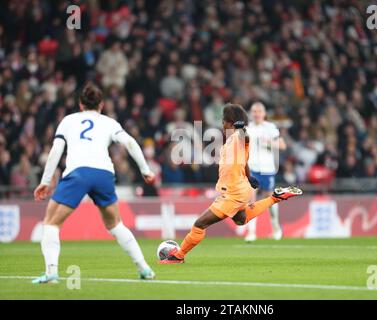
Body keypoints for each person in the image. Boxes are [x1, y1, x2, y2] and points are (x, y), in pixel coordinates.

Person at [32, 84, 156, 284]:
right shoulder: (109, 122)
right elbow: (131, 142)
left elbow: (56, 151)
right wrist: (145, 170)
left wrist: (45, 182)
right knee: (115, 224)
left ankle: (51, 273)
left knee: (51, 222)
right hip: (104, 174)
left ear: (80, 104)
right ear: (102, 104)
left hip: (78, 172)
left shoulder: (68, 121)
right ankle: (144, 268)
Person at [159, 103, 302, 264]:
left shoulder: (238, 137)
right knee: (241, 219)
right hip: (240, 188)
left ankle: (178, 256)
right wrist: (249, 177)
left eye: (224, 120)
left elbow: (245, 137)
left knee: (200, 224)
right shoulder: (230, 141)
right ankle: (276, 197)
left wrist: (242, 130)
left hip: (233, 193)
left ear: (231, 122)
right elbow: (244, 160)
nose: (221, 123)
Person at [244, 102, 287, 241]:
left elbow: (282, 145)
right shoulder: (247, 128)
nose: (256, 114)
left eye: (259, 111)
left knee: (270, 200)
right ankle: (251, 232)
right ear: (251, 113)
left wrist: (269, 143)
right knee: (251, 199)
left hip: (267, 168)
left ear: (264, 113)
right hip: (252, 168)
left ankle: (276, 228)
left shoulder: (271, 128)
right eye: (254, 111)